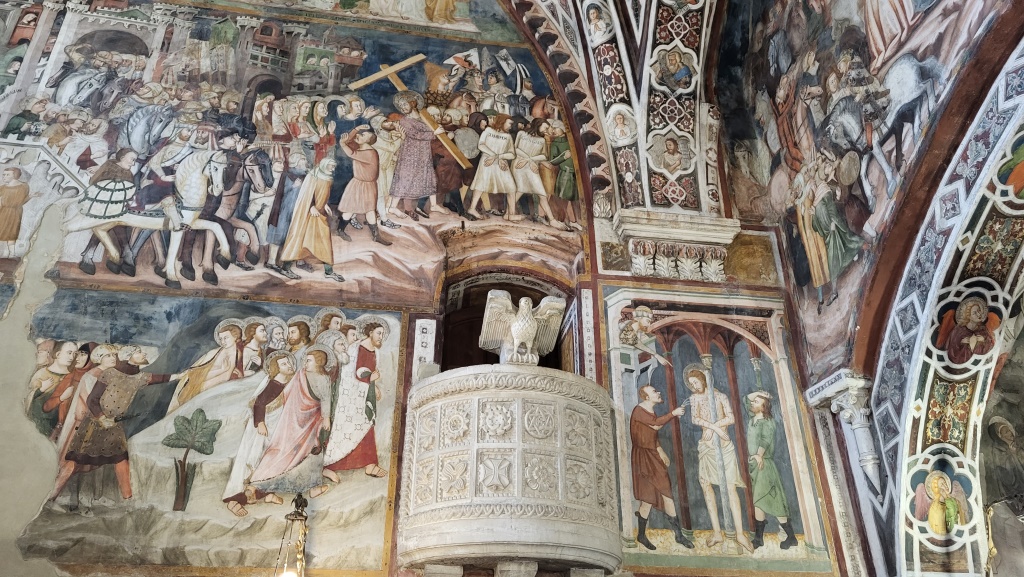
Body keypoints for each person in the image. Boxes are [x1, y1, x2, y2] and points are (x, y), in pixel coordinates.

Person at [49, 346, 177, 503]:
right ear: (128, 356)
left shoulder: (140, 377)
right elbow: (92, 400)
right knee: (75, 461)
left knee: (121, 459)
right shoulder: (109, 374)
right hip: (94, 424)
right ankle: (51, 496)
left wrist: (181, 375)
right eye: (138, 352)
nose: (143, 353)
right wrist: (102, 417)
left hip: (114, 426)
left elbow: (162, 378)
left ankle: (128, 499)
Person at [248, 346, 335, 500]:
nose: (304, 363)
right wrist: (260, 421)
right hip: (295, 423)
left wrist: (326, 417)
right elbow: (264, 401)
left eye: (309, 361)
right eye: (305, 360)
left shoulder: (322, 378)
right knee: (289, 452)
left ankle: (312, 487)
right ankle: (259, 484)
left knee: (311, 451)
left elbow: (325, 398)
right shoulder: (300, 375)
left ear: (319, 362)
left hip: (311, 422)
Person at [685, 367, 753, 553]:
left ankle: (740, 534)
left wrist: (714, 427)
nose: (694, 386)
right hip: (706, 446)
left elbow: (730, 417)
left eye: (696, 382)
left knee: (730, 487)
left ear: (703, 379)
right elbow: (695, 418)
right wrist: (713, 428)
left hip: (724, 446)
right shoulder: (694, 398)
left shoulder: (720, 396)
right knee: (706, 485)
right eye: (691, 384)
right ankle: (717, 532)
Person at [222, 351, 295, 516]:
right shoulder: (274, 384)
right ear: (276, 368)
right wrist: (260, 423)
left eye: (289, 362)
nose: (289, 366)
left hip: (276, 427)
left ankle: (265, 494)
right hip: (263, 429)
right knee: (254, 459)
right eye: (284, 364)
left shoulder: (289, 382)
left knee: (269, 460)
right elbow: (259, 404)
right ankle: (234, 500)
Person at [322, 322, 389, 480]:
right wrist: (370, 379)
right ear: (370, 332)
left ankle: (370, 464)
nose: (381, 337)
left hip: (365, 393)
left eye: (383, 334)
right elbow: (355, 372)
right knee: (346, 428)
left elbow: (368, 372)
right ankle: (330, 465)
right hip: (351, 396)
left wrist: (373, 385)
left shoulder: (375, 351)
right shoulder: (357, 348)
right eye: (379, 333)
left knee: (367, 425)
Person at [630, 385, 693, 550]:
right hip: (643, 457)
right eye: (654, 391)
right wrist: (673, 413)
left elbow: (651, 434)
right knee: (647, 498)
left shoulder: (649, 411)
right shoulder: (639, 410)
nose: (658, 392)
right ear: (646, 397)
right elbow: (656, 425)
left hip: (652, 454)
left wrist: (660, 450)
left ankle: (678, 535)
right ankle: (642, 535)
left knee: (666, 493)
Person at [745, 391, 797, 549]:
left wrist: (759, 455)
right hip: (755, 465)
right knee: (759, 502)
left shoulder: (768, 421)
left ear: (764, 407)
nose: (753, 403)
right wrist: (759, 393)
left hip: (764, 465)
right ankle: (759, 538)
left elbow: (766, 439)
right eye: (754, 401)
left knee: (773, 502)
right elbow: (746, 399)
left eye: (757, 402)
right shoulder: (753, 419)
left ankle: (790, 537)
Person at [280, 157, 344, 282]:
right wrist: (311, 206)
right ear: (324, 165)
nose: (332, 169)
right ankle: (286, 268)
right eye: (331, 166)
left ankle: (329, 272)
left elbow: (321, 194)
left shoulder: (328, 178)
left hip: (320, 214)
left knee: (323, 242)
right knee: (299, 239)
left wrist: (324, 204)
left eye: (333, 166)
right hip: (309, 214)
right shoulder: (313, 176)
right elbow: (306, 195)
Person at [388, 91, 446, 220]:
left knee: (427, 176)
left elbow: (430, 129)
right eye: (401, 106)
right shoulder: (405, 120)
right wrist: (434, 133)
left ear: (413, 103)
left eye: (405, 105)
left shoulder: (423, 118)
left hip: (423, 153)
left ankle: (433, 205)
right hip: (410, 154)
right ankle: (393, 207)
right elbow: (415, 134)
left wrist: (437, 129)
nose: (403, 108)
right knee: (405, 178)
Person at [169, 321, 244, 411]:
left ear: (235, 337)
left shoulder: (234, 354)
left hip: (205, 384)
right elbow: (200, 369)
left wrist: (203, 386)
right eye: (221, 339)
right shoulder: (215, 352)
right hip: (198, 380)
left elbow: (225, 376)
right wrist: (220, 370)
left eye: (226, 338)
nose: (223, 341)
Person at [336, 128, 391, 245]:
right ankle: (340, 230)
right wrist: (356, 129)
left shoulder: (369, 153)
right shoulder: (360, 148)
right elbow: (348, 141)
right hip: (358, 184)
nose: (359, 135)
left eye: (363, 135)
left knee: (370, 210)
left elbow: (350, 152)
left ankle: (376, 236)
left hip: (367, 185)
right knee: (350, 209)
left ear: (368, 140)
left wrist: (343, 144)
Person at [466, 114, 516, 220]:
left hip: (501, 163)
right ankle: (472, 208)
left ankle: (511, 214)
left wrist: (498, 157)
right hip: (487, 162)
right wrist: (494, 155)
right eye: (509, 123)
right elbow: (481, 145)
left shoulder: (508, 136)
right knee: (480, 184)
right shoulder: (488, 131)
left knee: (511, 187)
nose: (510, 126)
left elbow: (512, 154)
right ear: (502, 122)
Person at [27, 341, 77, 437]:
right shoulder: (41, 374)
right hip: (38, 425)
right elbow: (28, 401)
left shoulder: (73, 376)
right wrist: (41, 389)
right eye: (69, 353)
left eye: (74, 354)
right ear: (58, 354)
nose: (72, 357)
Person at [547, 120, 582, 231]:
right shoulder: (555, 143)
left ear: (563, 128)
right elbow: (552, 161)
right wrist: (564, 157)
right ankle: (563, 221)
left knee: (574, 199)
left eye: (556, 128)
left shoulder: (571, 140)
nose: (554, 131)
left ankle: (574, 221)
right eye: (553, 128)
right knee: (563, 199)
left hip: (575, 174)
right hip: (565, 174)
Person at [0, 167, 31, 257]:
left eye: (7, 175)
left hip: (15, 212)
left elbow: (21, 201)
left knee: (12, 232)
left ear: (15, 176)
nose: (4, 176)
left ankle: (11, 253)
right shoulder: (2, 188)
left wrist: (30, 197)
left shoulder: (23, 187)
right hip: (2, 211)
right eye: (4, 174)